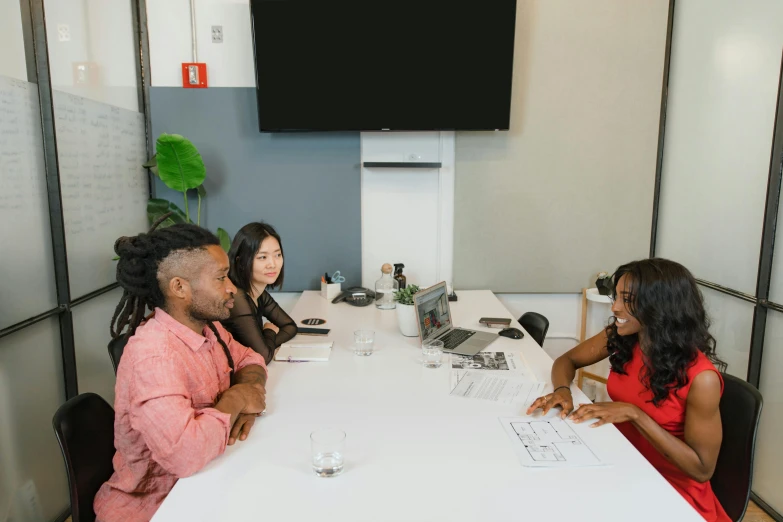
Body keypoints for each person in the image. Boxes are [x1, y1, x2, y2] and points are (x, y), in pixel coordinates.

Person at [527, 258, 729, 522]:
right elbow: (567, 361)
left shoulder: (702, 379)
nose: (615, 307)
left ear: (659, 307)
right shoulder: (624, 335)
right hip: (620, 460)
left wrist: (636, 415)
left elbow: (702, 470)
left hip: (670, 491)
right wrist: (563, 389)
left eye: (627, 299)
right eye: (617, 296)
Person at [94, 221, 268, 522]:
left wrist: (251, 386)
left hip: (207, 484)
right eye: (221, 278)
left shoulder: (208, 328)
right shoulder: (153, 356)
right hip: (156, 506)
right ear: (179, 287)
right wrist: (238, 398)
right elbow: (185, 455)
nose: (231, 288)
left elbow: (250, 359)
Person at [223, 222, 297, 363]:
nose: (273, 264)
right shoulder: (236, 298)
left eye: (277, 255)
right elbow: (263, 356)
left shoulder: (258, 292)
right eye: (262, 257)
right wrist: (269, 332)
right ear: (241, 262)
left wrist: (266, 342)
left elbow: (290, 326)